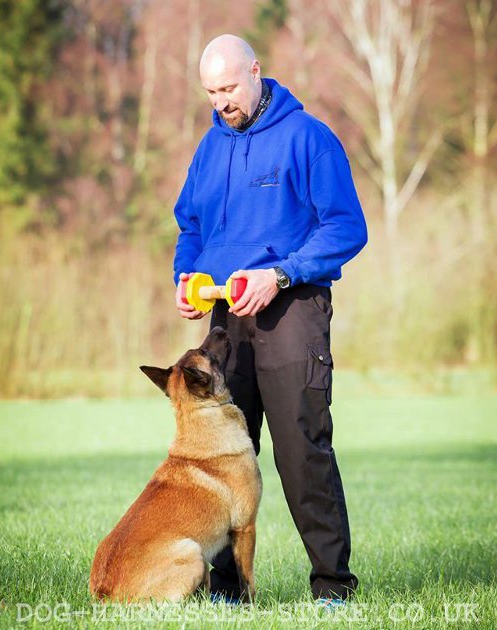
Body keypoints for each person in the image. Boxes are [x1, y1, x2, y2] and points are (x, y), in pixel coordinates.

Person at [173, 34, 367, 605]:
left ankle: (332, 588)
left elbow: (346, 227)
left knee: (300, 451)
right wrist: (186, 277)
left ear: (256, 72)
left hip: (292, 312)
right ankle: (229, 591)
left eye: (229, 88)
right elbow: (191, 228)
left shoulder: (309, 139)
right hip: (224, 319)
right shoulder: (209, 148)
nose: (220, 103)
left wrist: (281, 273)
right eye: (210, 92)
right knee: (225, 452)